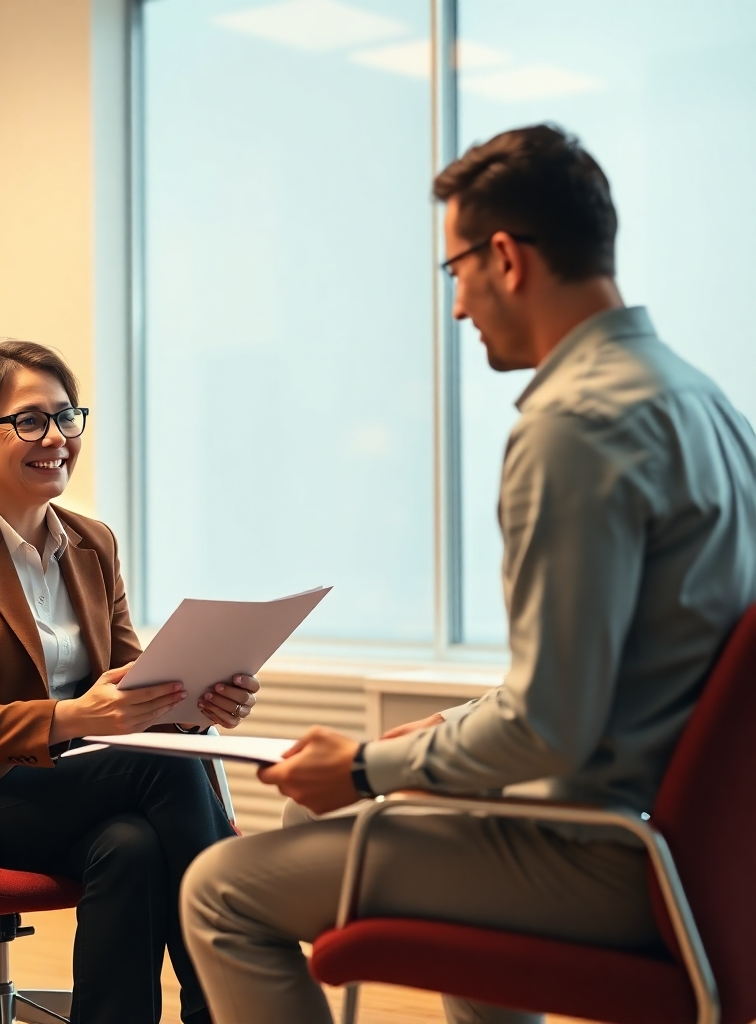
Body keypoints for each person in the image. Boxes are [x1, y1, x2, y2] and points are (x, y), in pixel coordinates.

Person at [180, 124, 756, 1024]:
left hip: (600, 854)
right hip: (693, 847)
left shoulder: (575, 425)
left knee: (219, 889)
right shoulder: (703, 402)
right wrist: (442, 732)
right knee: (315, 819)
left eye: (454, 272)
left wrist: (371, 765)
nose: (456, 308)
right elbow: (613, 674)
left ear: (504, 257)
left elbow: (554, 727)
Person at [0, 340, 261, 1024]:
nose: (57, 438)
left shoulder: (93, 542)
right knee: (170, 778)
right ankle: (233, 1005)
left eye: (67, 417)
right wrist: (75, 720)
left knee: (131, 844)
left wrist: (196, 703)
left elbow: (132, 683)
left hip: (81, 779)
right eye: (29, 421)